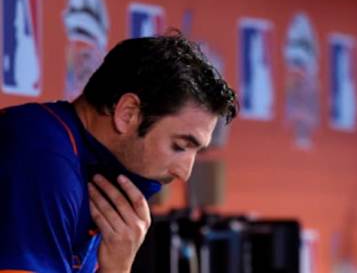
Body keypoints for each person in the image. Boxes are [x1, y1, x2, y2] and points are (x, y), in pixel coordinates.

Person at [0, 32, 238, 273]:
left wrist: (118, 267)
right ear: (128, 113)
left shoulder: (98, 172)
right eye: (179, 146)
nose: (184, 172)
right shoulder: (43, 155)